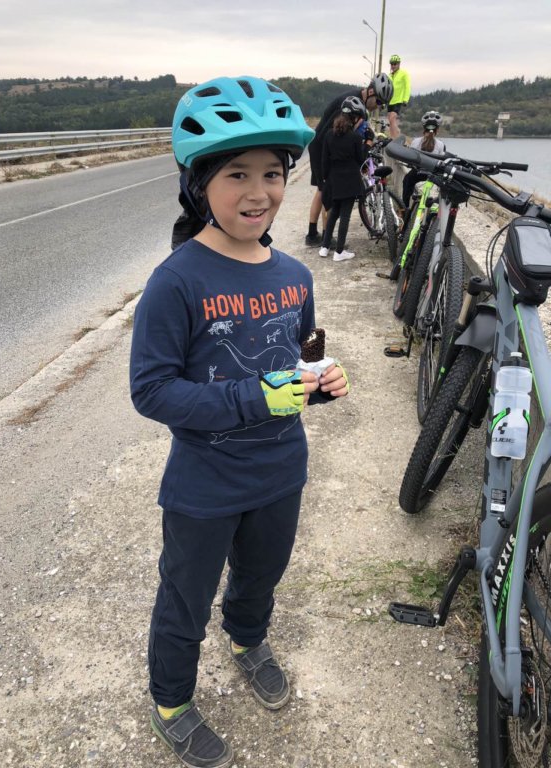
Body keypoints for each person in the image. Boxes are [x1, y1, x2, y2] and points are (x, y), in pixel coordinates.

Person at [130, 75, 350, 768]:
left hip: (281, 473)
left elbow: (297, 359)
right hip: (204, 485)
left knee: (261, 576)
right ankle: (171, 700)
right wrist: (257, 398)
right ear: (199, 184)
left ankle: (248, 639)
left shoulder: (294, 275)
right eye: (237, 174)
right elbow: (151, 391)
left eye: (273, 174)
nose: (259, 192)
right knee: (185, 598)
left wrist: (320, 384)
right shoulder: (177, 280)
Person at [304, 73, 394, 245]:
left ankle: (312, 234)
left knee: (322, 190)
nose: (378, 106)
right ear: (370, 92)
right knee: (328, 192)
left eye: (382, 105)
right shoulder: (349, 103)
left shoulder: (356, 102)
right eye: (379, 101)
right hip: (321, 147)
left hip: (320, 145)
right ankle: (327, 238)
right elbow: (332, 134)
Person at [318, 96, 368, 262]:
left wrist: (326, 179)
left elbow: (324, 160)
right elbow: (360, 160)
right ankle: (339, 251)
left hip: (334, 179)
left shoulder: (329, 134)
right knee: (345, 216)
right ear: (354, 118)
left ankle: (325, 247)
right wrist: (367, 144)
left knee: (334, 213)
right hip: (350, 180)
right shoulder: (355, 138)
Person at [402, 111, 446, 207]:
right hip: (432, 175)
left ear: (424, 128)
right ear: (437, 130)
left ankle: (404, 208)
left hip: (417, 174)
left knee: (406, 181)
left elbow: (410, 158)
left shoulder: (415, 142)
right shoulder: (441, 145)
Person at [387, 55, 410, 139]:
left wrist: (405, 99)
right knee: (391, 121)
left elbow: (407, 87)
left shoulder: (404, 74)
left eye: (395, 64)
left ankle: (395, 138)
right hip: (389, 101)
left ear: (399, 64)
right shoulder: (389, 75)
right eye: (392, 64)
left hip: (398, 100)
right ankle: (393, 137)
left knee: (392, 118)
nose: (393, 66)